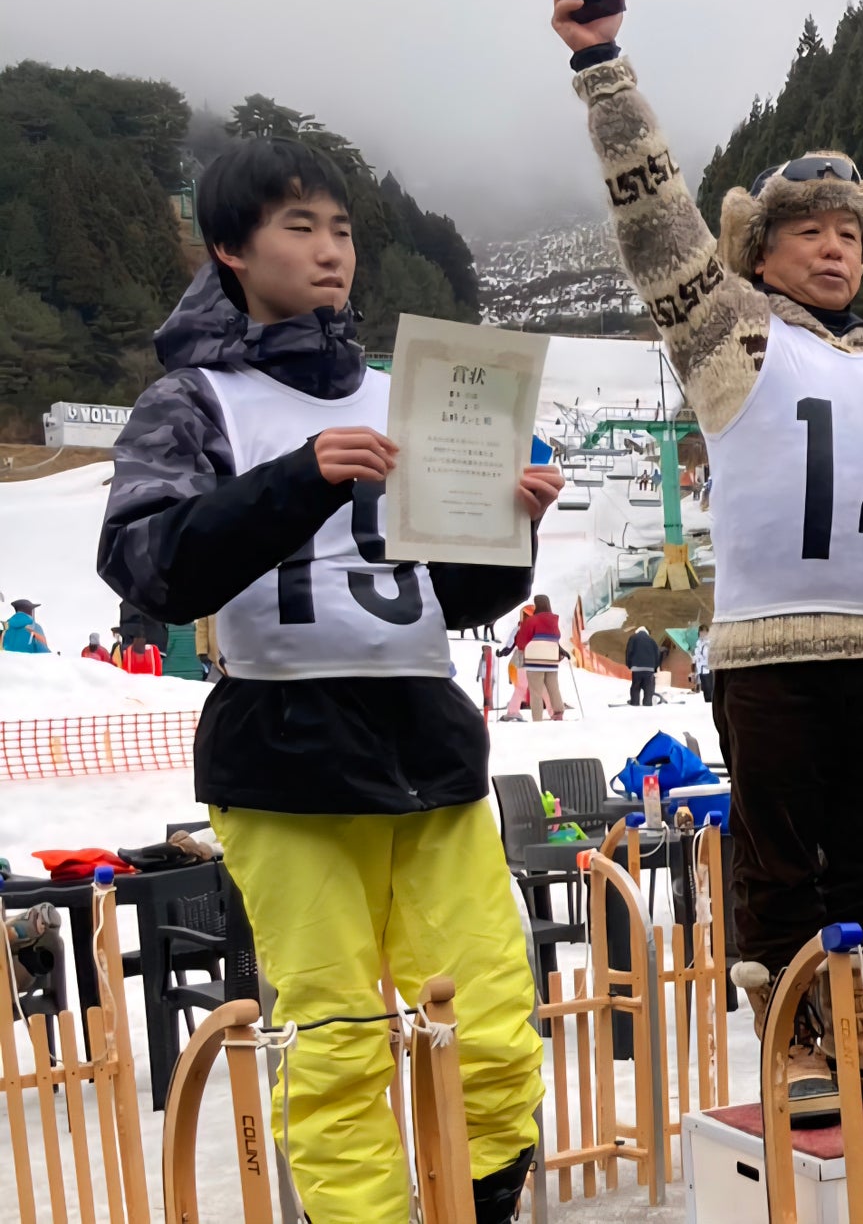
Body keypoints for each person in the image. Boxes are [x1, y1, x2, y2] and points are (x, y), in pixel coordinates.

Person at [553, 0, 863, 1125]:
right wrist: (602, 67)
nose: (832, 250)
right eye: (807, 233)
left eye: (848, 234)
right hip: (767, 648)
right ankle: (789, 1032)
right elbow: (656, 226)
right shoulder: (729, 338)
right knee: (778, 855)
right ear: (758, 253)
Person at [96, 136, 563, 1224]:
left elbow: (455, 598)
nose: (329, 251)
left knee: (493, 1030)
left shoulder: (411, 393)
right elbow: (150, 566)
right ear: (229, 248)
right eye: (297, 227)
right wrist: (296, 480)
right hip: (285, 758)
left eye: (341, 230)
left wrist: (510, 529)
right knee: (340, 1042)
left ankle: (482, 1210)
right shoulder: (195, 401)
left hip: (428, 748)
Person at [511, 595, 566, 721]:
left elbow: (523, 640)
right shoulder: (554, 620)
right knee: (553, 686)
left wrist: (522, 649)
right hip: (551, 659)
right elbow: (557, 636)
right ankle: (558, 712)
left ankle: (537, 718)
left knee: (536, 690)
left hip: (534, 659)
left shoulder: (532, 620)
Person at [498, 603, 536, 721]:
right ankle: (513, 711)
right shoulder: (519, 628)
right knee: (523, 686)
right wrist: (503, 652)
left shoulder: (536, 628)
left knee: (539, 685)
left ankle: (553, 710)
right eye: (526, 615)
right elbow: (510, 645)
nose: (528, 618)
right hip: (522, 657)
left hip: (533, 658)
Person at [625, 624, 660, 706]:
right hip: (649, 669)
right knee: (648, 687)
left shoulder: (633, 638)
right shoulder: (652, 640)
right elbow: (657, 655)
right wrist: (655, 668)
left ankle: (634, 702)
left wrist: (629, 664)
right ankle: (647, 703)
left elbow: (629, 652)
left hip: (636, 667)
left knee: (635, 686)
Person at [693, 633, 714, 707]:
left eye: (703, 634)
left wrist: (700, 658)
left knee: (709, 686)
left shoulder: (708, 645)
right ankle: (707, 701)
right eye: (700, 635)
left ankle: (710, 701)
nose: (702, 636)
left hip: (707, 668)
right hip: (700, 669)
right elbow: (697, 655)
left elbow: (708, 657)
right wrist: (696, 658)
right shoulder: (698, 644)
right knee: (705, 687)